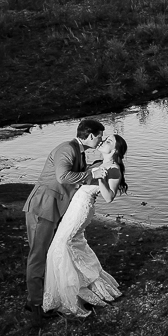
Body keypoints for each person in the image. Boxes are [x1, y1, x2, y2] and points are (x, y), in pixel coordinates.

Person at [23, 119, 107, 325]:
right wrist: (92, 173)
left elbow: (78, 172)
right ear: (89, 136)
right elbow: (63, 177)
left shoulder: (78, 152)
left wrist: (98, 168)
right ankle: (34, 305)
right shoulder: (66, 148)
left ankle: (46, 297)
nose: (101, 140)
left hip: (54, 207)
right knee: (38, 255)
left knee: (52, 252)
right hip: (43, 207)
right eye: (99, 136)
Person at [42, 134, 127, 318]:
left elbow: (109, 197)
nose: (104, 141)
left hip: (83, 208)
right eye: (105, 139)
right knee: (70, 245)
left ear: (115, 150)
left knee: (63, 245)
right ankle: (81, 286)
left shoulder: (114, 169)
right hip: (75, 206)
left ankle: (74, 292)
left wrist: (101, 178)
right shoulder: (98, 163)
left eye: (109, 141)